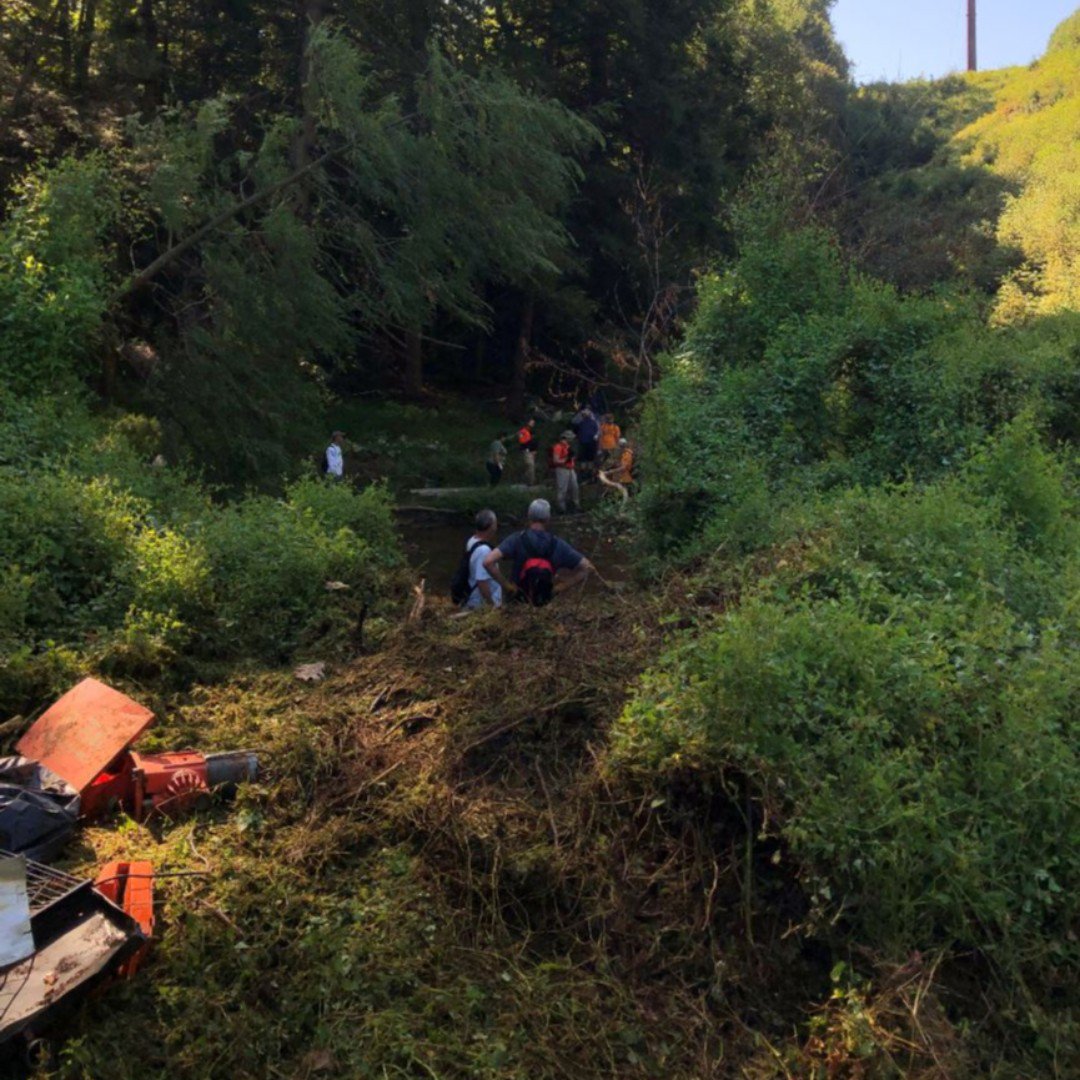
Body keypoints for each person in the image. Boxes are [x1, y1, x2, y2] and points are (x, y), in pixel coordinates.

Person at [482, 498, 592, 606]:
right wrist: (559, 587)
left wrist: (508, 587)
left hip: (516, 604)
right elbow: (587, 567)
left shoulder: (517, 539)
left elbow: (488, 562)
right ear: (548, 519)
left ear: (529, 516)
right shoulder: (557, 544)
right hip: (543, 603)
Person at [465, 509, 502, 609]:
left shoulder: (472, 541)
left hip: (474, 599)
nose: (496, 527)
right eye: (495, 524)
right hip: (480, 604)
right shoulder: (483, 550)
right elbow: (482, 582)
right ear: (490, 527)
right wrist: (491, 605)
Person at [551, 430, 580, 513]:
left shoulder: (568, 446)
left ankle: (576, 505)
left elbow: (571, 457)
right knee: (562, 489)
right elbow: (555, 460)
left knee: (575, 488)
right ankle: (561, 508)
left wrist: (572, 457)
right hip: (562, 470)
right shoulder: (558, 447)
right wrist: (566, 459)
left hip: (571, 469)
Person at [575, 408, 600, 481]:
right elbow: (597, 432)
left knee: (583, 459)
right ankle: (590, 474)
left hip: (582, 443)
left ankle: (583, 474)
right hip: (591, 443)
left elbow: (576, 431)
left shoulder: (580, 423)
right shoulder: (594, 423)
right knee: (590, 459)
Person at [517, 418, 538, 485]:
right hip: (526, 450)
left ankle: (531, 481)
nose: (533, 424)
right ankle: (528, 481)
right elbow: (522, 441)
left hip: (532, 451)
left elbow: (535, 441)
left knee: (532, 466)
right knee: (530, 465)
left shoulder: (532, 431)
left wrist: (535, 449)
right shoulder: (523, 431)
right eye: (531, 422)